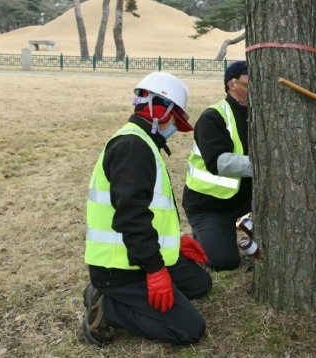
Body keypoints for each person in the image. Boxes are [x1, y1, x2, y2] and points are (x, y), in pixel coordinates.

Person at [83, 72, 212, 347]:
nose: (177, 129)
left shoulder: (142, 142)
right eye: (177, 121)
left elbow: (146, 207)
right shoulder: (133, 148)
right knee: (190, 329)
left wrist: (174, 244)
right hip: (120, 267)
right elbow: (131, 217)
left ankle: (129, 293)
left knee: (200, 285)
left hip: (136, 254)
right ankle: (108, 304)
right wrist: (155, 271)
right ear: (161, 111)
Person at [182, 60, 253, 271]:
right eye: (251, 77)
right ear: (232, 84)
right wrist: (266, 166)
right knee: (224, 262)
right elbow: (218, 162)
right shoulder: (213, 117)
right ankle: (202, 236)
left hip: (245, 202)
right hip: (210, 205)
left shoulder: (261, 114)